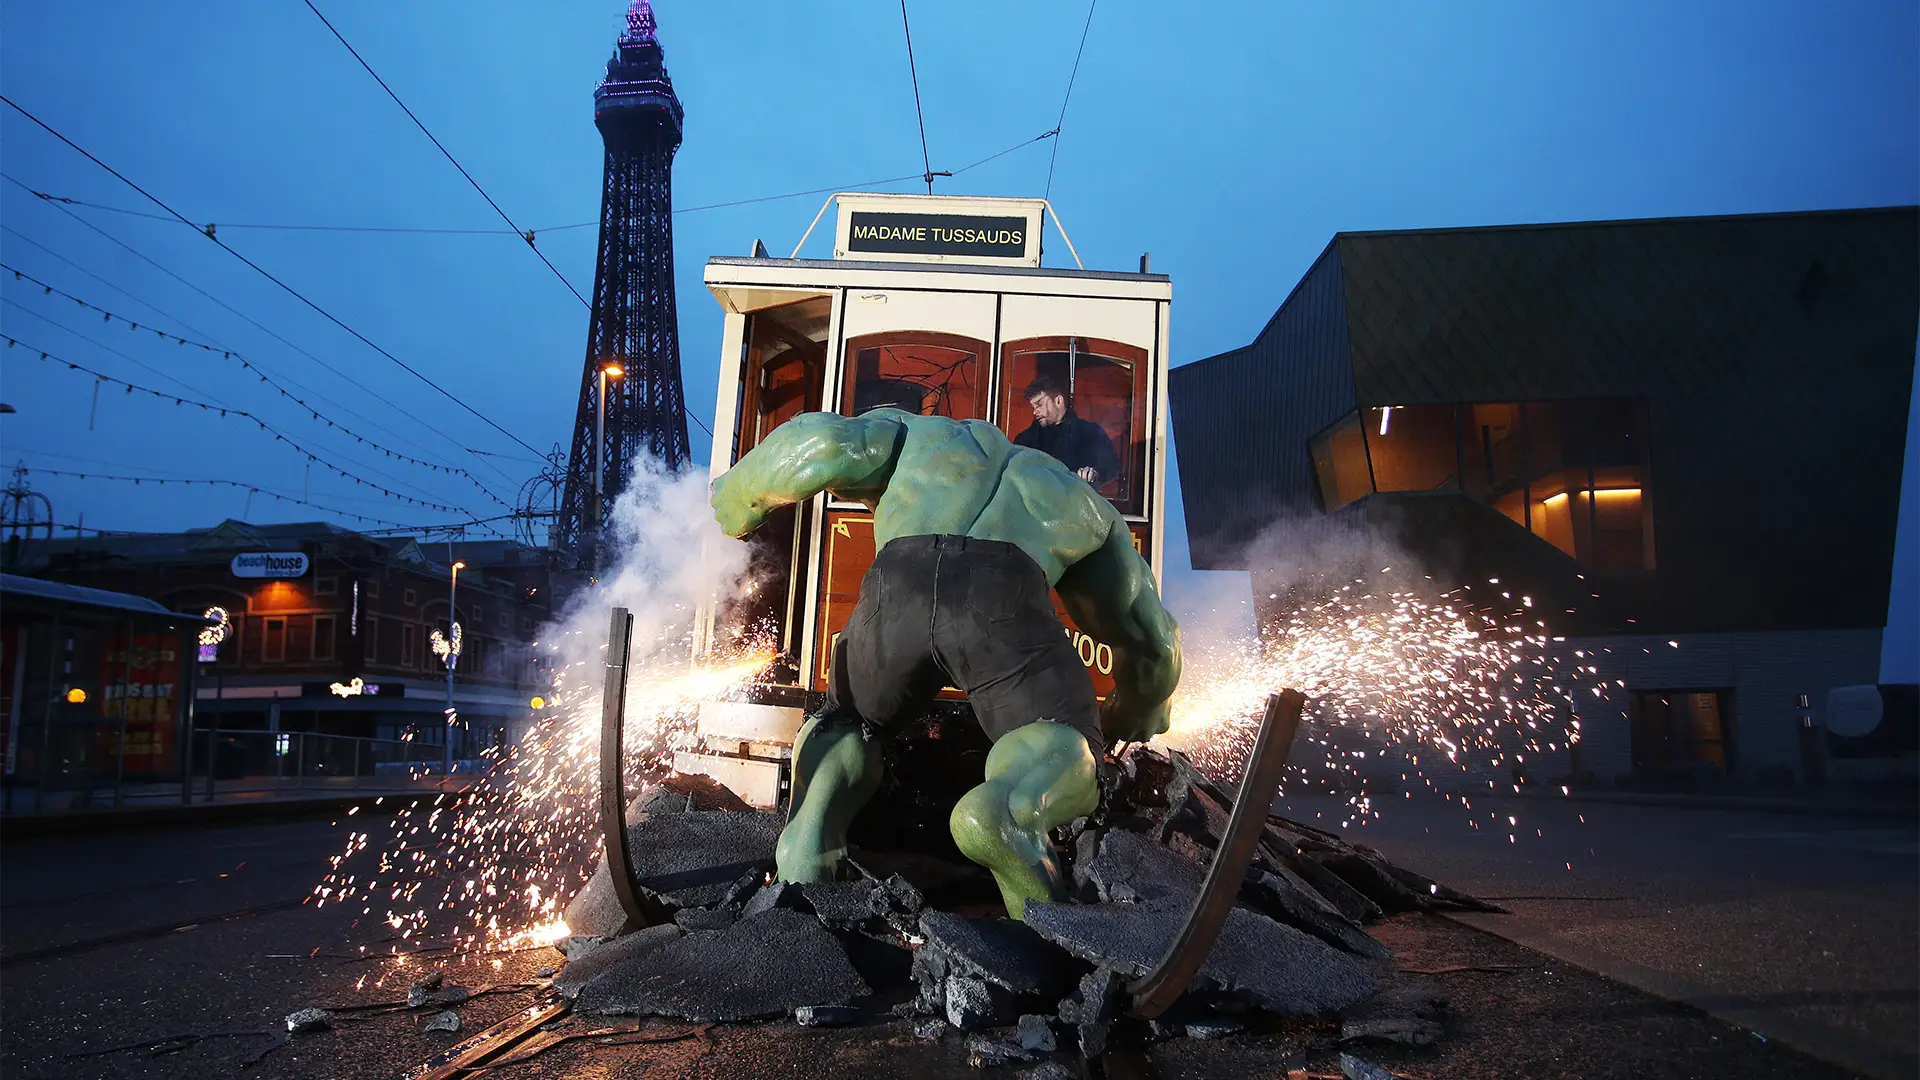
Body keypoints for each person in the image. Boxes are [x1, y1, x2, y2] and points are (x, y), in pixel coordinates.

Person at [709, 409, 1182, 919]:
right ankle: (1009, 812)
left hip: (898, 590)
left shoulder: (917, 435)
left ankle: (807, 843)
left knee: (849, 719)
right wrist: (1135, 712)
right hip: (1004, 602)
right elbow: (1151, 637)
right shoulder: (1083, 504)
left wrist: (740, 494)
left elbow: (824, 443)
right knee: (1055, 735)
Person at [1012, 375, 1121, 488]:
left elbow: (1111, 464)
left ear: (1058, 400)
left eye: (1039, 405)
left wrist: (1096, 473)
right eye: (1033, 407)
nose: (1035, 412)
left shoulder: (1090, 432)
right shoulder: (1025, 440)